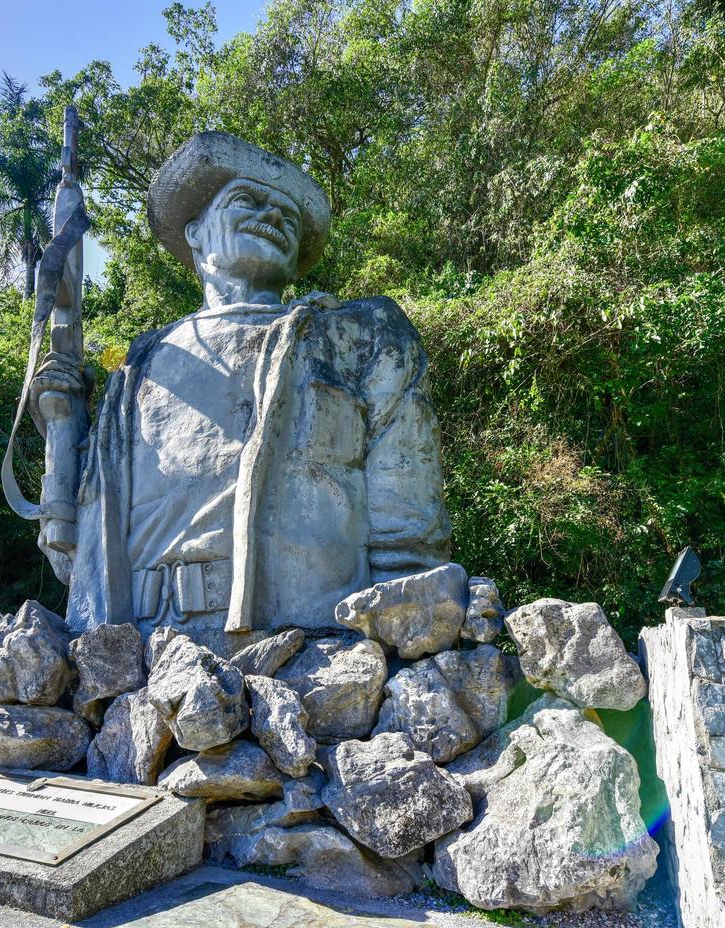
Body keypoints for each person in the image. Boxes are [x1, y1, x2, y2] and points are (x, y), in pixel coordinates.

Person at [35, 132, 450, 651]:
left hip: (310, 653)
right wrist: (62, 419)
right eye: (246, 200)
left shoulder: (358, 335)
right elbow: (74, 554)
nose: (272, 216)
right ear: (196, 232)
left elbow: (408, 521)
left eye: (287, 215)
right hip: (131, 657)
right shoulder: (137, 370)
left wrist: (404, 637)